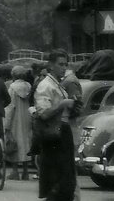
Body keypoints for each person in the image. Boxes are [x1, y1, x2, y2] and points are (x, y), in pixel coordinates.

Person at [33, 49, 77, 201]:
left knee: (65, 180)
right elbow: (43, 113)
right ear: (51, 65)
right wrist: (63, 104)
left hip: (62, 132)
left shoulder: (57, 84)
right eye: (60, 64)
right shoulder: (45, 86)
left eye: (65, 64)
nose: (64, 67)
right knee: (58, 180)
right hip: (53, 135)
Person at [3, 66, 33, 181]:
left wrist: (7, 124)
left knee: (14, 142)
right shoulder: (29, 87)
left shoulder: (12, 88)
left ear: (13, 75)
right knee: (26, 143)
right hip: (26, 117)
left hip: (16, 118)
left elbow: (10, 106)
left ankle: (15, 171)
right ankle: (25, 172)